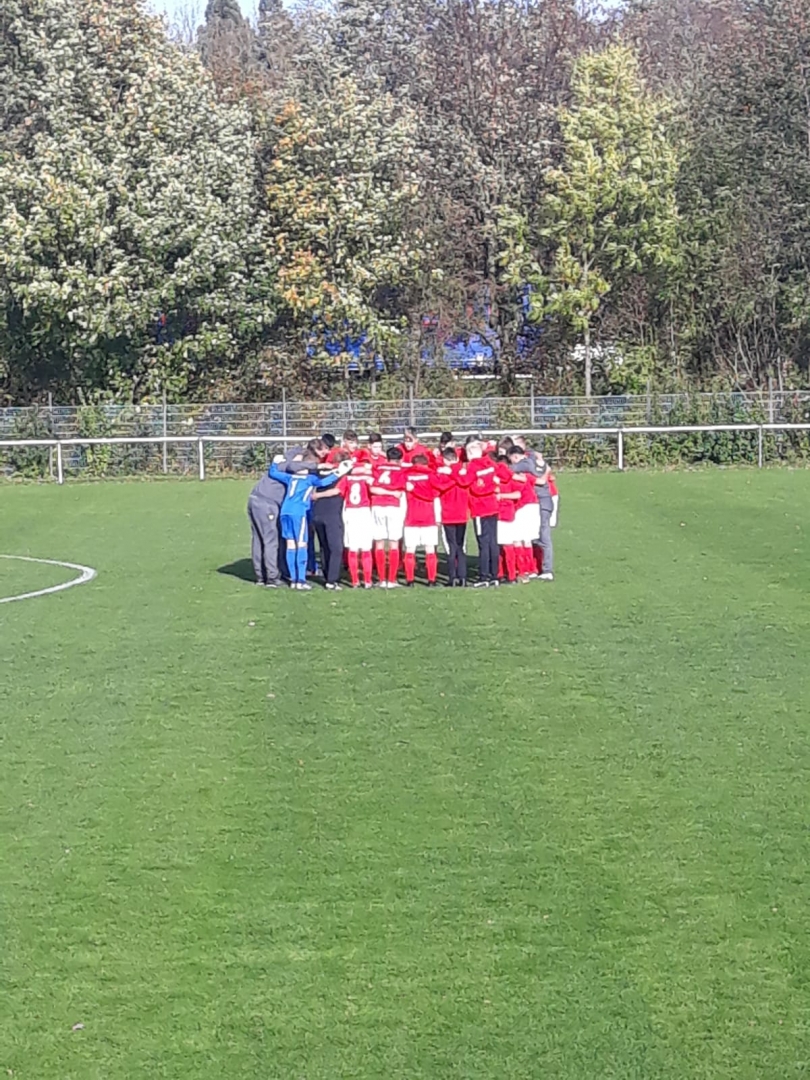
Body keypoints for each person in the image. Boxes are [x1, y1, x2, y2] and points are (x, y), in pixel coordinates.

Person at [269, 455, 351, 589]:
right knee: (301, 544)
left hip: (285, 511)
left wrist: (274, 463)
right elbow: (324, 482)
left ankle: (293, 580)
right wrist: (338, 473)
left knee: (291, 544)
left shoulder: (290, 477)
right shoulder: (309, 479)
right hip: (298, 512)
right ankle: (300, 581)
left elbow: (273, 473)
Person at [462, 440, 500, 588]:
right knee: (493, 541)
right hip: (493, 506)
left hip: (480, 509)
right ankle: (495, 575)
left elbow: (467, 483)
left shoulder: (472, 466)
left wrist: (460, 474)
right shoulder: (489, 463)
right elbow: (499, 475)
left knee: (483, 543)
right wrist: (493, 486)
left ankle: (484, 576)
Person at [310, 451, 348, 591]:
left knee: (324, 546)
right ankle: (332, 580)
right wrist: (318, 495)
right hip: (332, 514)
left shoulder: (322, 472)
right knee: (336, 548)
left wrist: (316, 495)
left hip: (317, 512)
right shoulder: (343, 474)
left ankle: (327, 576)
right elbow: (337, 491)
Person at [370, 446, 407, 587]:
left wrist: (384, 491)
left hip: (377, 506)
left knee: (379, 542)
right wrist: (391, 493)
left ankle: (381, 579)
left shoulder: (377, 468)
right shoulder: (401, 470)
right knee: (393, 543)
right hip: (393, 507)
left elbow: (372, 488)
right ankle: (391, 580)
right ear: (400, 460)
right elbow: (401, 490)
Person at [433, 447, 470, 586]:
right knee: (461, 546)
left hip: (448, 515)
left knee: (451, 546)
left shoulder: (443, 474)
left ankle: (452, 577)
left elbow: (439, 489)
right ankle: (463, 577)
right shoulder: (463, 472)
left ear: (445, 460)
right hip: (461, 514)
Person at [402, 454, 441, 586]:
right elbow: (435, 496)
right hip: (428, 516)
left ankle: (410, 580)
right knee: (430, 549)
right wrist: (438, 517)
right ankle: (431, 580)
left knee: (410, 550)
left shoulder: (406, 475)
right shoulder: (431, 475)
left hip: (411, 516)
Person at [247, 469, 285, 588]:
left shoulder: (280, 465)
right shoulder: (293, 466)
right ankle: (272, 577)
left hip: (255, 499)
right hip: (266, 503)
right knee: (270, 540)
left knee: (258, 540)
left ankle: (261, 576)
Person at [339, 461, 375, 588]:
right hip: (364, 511)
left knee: (353, 548)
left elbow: (340, 492)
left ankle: (355, 581)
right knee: (366, 548)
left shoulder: (346, 478)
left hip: (350, 512)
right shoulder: (368, 477)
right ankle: (368, 581)